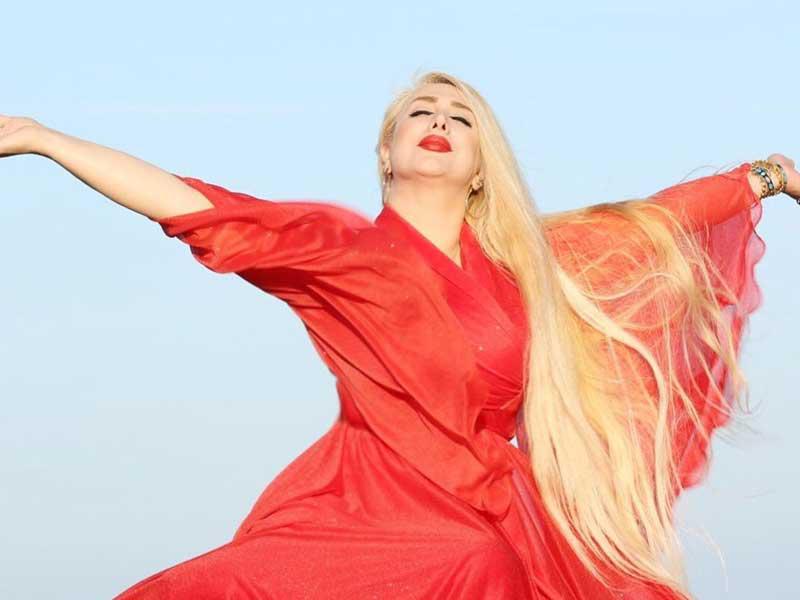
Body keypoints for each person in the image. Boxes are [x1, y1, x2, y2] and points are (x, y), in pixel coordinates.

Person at [2, 71, 797, 600]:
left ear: (481, 167)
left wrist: (768, 177)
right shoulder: (340, 252)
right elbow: (196, 205)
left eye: (461, 118)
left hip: (494, 506)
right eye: (420, 112)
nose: (439, 120)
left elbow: (652, 222)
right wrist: (43, 136)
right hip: (365, 502)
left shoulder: (530, 262)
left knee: (500, 564)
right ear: (386, 153)